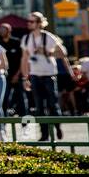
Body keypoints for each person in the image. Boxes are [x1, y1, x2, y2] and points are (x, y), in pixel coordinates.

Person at [19, 11, 66, 141]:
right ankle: (44, 134)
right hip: (34, 75)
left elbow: (62, 53)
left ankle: (57, 127)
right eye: (28, 21)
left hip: (49, 74)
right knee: (39, 106)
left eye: (32, 21)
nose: (29, 24)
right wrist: (25, 78)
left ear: (39, 23)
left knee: (53, 104)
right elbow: (24, 58)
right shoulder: (27, 39)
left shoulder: (49, 37)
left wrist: (46, 51)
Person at [0, 23, 28, 118]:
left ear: (9, 31)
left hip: (18, 75)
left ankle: (25, 122)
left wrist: (18, 74)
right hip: (5, 77)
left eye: (4, 29)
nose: (2, 31)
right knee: (4, 98)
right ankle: (5, 121)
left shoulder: (17, 42)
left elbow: (23, 60)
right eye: (1, 29)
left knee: (21, 99)